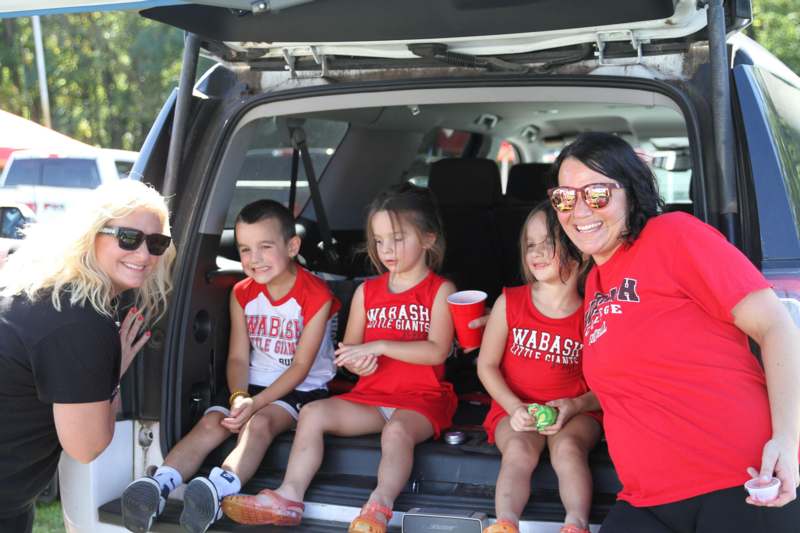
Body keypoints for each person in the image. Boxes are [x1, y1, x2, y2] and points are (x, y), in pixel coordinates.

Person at [549, 132, 800, 532]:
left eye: (596, 194)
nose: (579, 210)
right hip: (647, 499)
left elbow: (777, 327)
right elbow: (639, 375)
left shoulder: (674, 236)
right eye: (564, 197)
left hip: (738, 482)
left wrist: (787, 441)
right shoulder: (596, 281)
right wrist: (577, 405)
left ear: (630, 193)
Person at [220, 183, 457, 532]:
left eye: (397, 238)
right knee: (313, 413)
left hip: (422, 400)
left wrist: (379, 347)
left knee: (396, 432)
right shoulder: (367, 292)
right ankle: (289, 497)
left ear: (428, 239)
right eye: (378, 241)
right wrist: (357, 361)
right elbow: (346, 352)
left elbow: (437, 349)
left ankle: (378, 506)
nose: (386, 250)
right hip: (372, 398)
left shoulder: (441, 290)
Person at [120, 199, 339, 533]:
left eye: (265, 247)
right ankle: (158, 485)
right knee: (212, 422)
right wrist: (238, 396)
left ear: (292, 246)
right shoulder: (242, 293)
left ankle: (217, 489)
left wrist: (255, 404)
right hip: (250, 384)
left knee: (259, 423)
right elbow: (237, 357)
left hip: (301, 387)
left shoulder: (316, 295)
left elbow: (300, 366)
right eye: (245, 249)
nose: (254, 259)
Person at [0, 179, 175, 533]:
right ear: (91, 234)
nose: (144, 255)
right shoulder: (80, 321)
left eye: (157, 243)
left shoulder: (41, 285)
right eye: (128, 238)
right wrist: (113, 371)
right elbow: (87, 446)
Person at [478, 202, 602, 533]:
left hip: (576, 411)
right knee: (518, 450)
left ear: (579, 250)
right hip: (514, 408)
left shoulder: (593, 314)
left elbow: (608, 386)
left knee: (568, 451)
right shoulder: (511, 302)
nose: (537, 252)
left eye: (548, 241)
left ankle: (575, 524)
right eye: (530, 244)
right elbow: (486, 366)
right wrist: (514, 407)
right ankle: (506, 523)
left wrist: (575, 405)